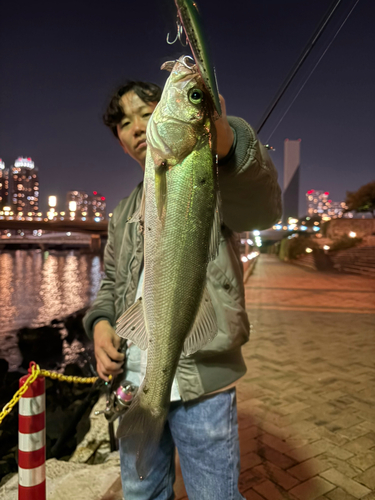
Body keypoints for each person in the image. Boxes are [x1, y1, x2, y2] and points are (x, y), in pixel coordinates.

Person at [83, 78, 282, 500]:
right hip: (136, 383)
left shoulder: (212, 180)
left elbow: (263, 206)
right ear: (119, 139)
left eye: (146, 110)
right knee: (142, 496)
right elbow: (112, 283)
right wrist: (101, 324)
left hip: (202, 387)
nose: (137, 126)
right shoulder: (121, 214)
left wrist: (229, 147)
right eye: (124, 122)